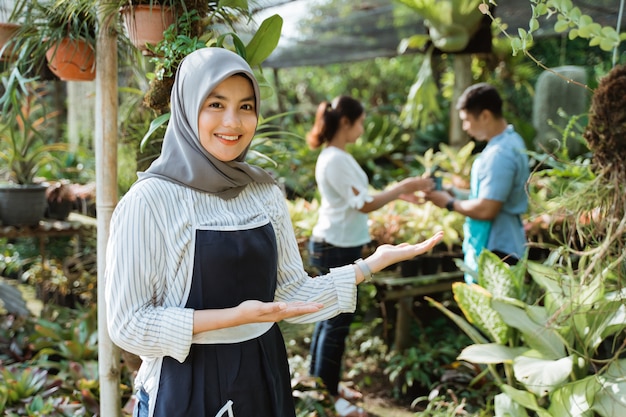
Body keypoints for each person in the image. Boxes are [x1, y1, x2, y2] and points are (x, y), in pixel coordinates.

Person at [104, 47, 444, 417]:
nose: (233, 122)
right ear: (187, 108)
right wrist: (234, 317)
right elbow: (128, 325)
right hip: (186, 384)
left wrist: (371, 264)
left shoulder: (263, 192)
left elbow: (291, 293)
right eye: (215, 105)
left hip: (263, 373)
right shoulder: (150, 200)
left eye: (246, 107)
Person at [306, 96, 434, 417]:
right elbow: (363, 205)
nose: (363, 129)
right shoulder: (334, 159)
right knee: (336, 322)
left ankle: (323, 386)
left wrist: (401, 193)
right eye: (361, 122)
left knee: (331, 320)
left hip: (337, 243)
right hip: (334, 246)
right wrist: (404, 185)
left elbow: (362, 198)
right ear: (346, 122)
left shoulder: (339, 156)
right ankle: (327, 396)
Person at [426, 83, 530, 284]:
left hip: (497, 249)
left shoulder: (500, 154)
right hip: (506, 242)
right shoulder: (511, 141)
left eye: (466, 120)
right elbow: (488, 196)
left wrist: (448, 203)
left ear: (485, 116)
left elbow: (486, 208)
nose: (465, 127)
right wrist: (452, 192)